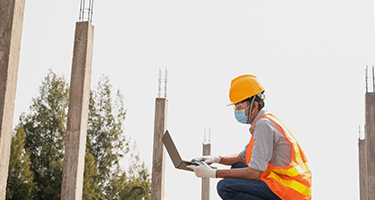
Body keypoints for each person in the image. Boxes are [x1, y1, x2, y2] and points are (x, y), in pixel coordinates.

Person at [188, 75, 312, 200]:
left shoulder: (264, 126)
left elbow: (254, 173)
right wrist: (215, 159)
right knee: (237, 167)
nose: (236, 112)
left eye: (239, 107)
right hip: (282, 184)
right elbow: (242, 157)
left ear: (254, 106)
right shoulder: (264, 122)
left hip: (289, 192)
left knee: (225, 186)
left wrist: (213, 173)